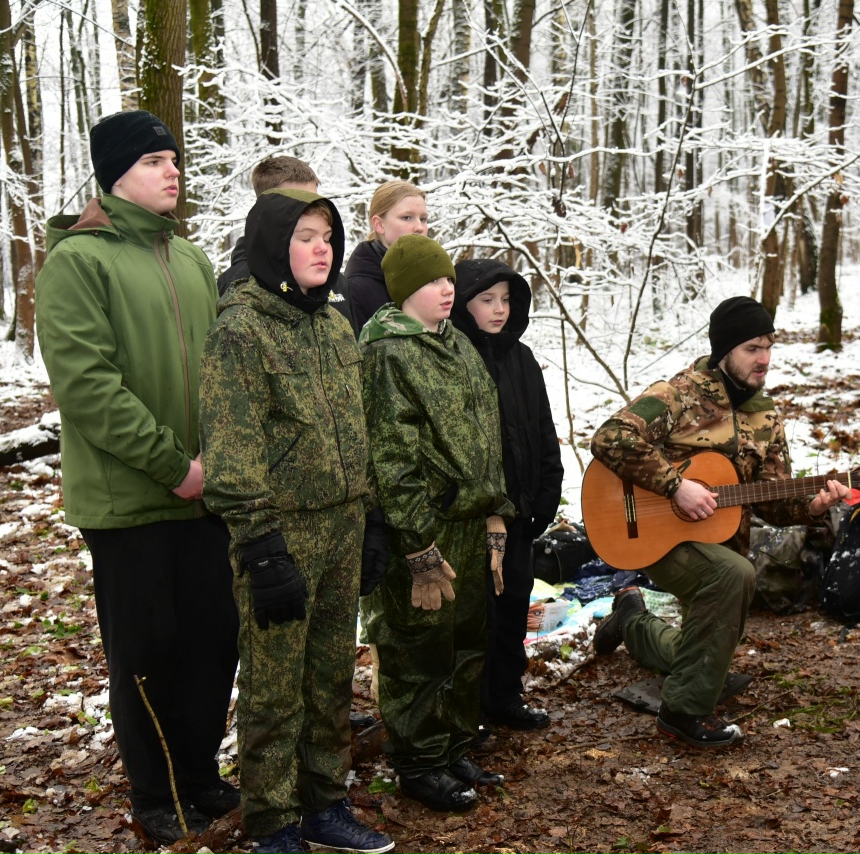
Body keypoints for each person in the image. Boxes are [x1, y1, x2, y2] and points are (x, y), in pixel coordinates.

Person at [34, 110, 239, 844]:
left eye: (174, 159)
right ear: (117, 173)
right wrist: (173, 466)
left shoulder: (188, 260)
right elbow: (89, 389)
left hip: (203, 496)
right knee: (147, 652)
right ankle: (155, 793)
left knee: (214, 642)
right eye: (155, 160)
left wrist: (216, 462)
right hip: (131, 502)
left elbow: (217, 375)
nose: (172, 171)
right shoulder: (77, 263)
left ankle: (200, 775)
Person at [199, 188, 394, 854]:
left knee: (331, 674)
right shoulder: (241, 328)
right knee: (275, 685)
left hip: (342, 527)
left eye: (329, 237)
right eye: (307, 235)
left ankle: (323, 803)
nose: (323, 248)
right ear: (273, 244)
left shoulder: (334, 322)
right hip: (280, 534)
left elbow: (357, 427)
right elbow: (231, 450)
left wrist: (369, 519)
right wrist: (261, 548)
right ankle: (273, 820)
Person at [589, 296, 850, 748]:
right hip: (650, 534)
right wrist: (676, 487)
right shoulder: (678, 395)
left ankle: (632, 621)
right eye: (752, 348)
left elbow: (773, 500)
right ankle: (683, 713)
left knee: (703, 652)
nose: (764, 359)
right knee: (733, 577)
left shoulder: (765, 416)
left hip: (721, 541)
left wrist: (811, 507)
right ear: (725, 349)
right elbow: (610, 436)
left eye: (769, 346)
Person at [360, 235, 514, 812]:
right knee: (417, 649)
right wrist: (417, 543)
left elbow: (485, 433)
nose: (447, 289)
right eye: (432, 282)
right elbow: (389, 458)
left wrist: (495, 510)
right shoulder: (386, 354)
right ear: (403, 291)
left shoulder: (457, 344)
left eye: (448, 279)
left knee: (466, 643)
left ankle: (451, 745)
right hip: (426, 530)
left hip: (472, 522)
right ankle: (419, 762)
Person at [451, 259, 564, 731]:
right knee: (479, 615)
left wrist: (546, 493)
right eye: (486, 300)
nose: (499, 309)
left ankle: (505, 695)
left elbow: (542, 428)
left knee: (516, 601)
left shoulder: (521, 358)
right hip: (474, 517)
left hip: (520, 512)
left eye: (506, 299)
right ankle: (469, 707)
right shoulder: (455, 358)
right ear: (462, 304)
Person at [217, 155, 356, 334]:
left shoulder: (336, 282)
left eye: (313, 201)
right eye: (296, 204)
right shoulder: (236, 284)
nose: (310, 209)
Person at [344, 180, 428, 335]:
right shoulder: (357, 288)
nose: (420, 227)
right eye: (407, 217)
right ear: (379, 224)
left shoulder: (432, 279)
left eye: (423, 219)